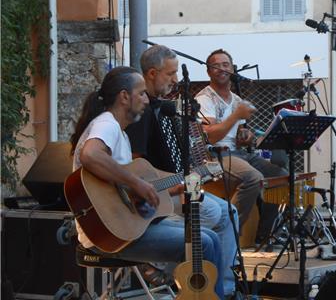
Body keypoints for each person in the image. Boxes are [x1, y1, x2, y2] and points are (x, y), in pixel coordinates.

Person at [69, 66, 224, 298]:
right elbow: (90, 155)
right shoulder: (107, 124)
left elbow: (134, 188)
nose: (145, 99)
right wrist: (136, 184)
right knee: (205, 243)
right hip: (110, 235)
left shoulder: (120, 132)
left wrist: (177, 185)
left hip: (127, 226)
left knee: (210, 238)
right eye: (141, 93)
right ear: (124, 97)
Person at [125, 45, 240, 299]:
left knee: (229, 211)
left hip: (176, 186)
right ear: (152, 73)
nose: (176, 80)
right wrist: (177, 186)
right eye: (171, 73)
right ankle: (181, 273)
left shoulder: (162, 108)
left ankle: (221, 288)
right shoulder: (142, 112)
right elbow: (135, 166)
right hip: (159, 195)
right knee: (218, 218)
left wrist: (195, 176)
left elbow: (181, 161)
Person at [195, 49, 288, 230]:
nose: (221, 69)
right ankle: (229, 232)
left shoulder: (237, 99)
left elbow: (239, 138)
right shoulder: (204, 99)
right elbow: (210, 137)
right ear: (208, 72)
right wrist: (236, 115)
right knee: (253, 177)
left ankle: (265, 232)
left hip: (238, 154)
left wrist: (246, 137)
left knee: (281, 175)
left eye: (225, 65)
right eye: (216, 66)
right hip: (214, 156)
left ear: (233, 69)